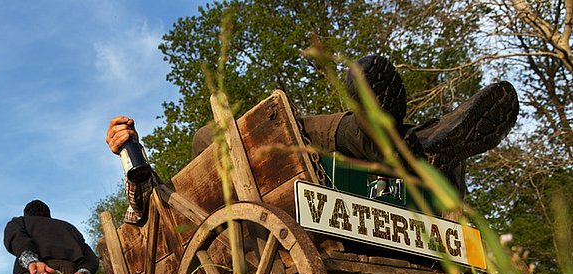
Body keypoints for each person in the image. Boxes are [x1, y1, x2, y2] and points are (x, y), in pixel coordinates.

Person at [106, 55, 519, 218]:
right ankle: (416, 143)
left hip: (289, 191)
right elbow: (144, 212)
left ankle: (400, 140)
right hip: (235, 220)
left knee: (281, 127)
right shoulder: (145, 207)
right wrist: (130, 157)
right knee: (220, 136)